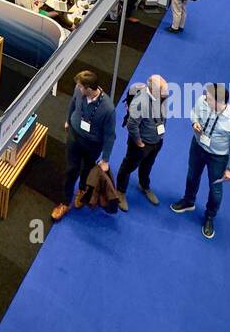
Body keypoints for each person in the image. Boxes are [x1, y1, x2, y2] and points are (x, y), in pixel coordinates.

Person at [171, 83, 230, 239]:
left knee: (215, 189)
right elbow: (194, 113)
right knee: (192, 176)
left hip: (218, 157)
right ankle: (188, 201)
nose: (205, 98)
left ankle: (210, 216)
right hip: (198, 147)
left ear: (220, 102)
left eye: (209, 98)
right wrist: (195, 123)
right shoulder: (202, 101)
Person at [51, 69, 116, 222]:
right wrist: (68, 120)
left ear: (89, 88)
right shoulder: (78, 90)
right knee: (71, 169)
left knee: (87, 170)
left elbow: (110, 135)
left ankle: (82, 191)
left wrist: (105, 159)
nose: (78, 88)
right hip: (74, 136)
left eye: (81, 87)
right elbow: (72, 104)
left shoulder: (108, 108)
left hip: (92, 144)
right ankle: (65, 202)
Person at [115, 74, 169, 209]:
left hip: (157, 141)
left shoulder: (161, 97)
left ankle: (144, 185)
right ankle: (120, 191)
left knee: (147, 165)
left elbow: (163, 117)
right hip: (141, 144)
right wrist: (139, 143)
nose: (165, 96)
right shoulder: (140, 103)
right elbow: (131, 125)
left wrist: (160, 136)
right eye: (163, 94)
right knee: (128, 166)